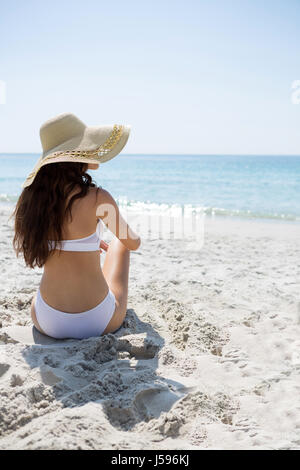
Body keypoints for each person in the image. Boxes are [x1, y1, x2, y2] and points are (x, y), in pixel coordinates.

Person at [12, 112, 141, 340]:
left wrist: (86, 242)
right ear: (76, 155)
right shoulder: (98, 197)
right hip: (97, 322)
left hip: (46, 320)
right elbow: (134, 242)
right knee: (120, 244)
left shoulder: (33, 200)